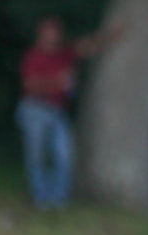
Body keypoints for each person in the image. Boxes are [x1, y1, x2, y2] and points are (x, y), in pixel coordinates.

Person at [16, 15, 120, 210]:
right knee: (36, 156)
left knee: (65, 155)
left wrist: (112, 35)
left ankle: (57, 200)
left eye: (55, 32)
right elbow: (30, 87)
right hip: (35, 109)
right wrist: (58, 82)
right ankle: (40, 198)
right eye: (48, 32)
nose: (53, 36)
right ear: (40, 35)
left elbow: (88, 46)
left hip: (57, 111)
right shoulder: (34, 56)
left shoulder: (64, 54)